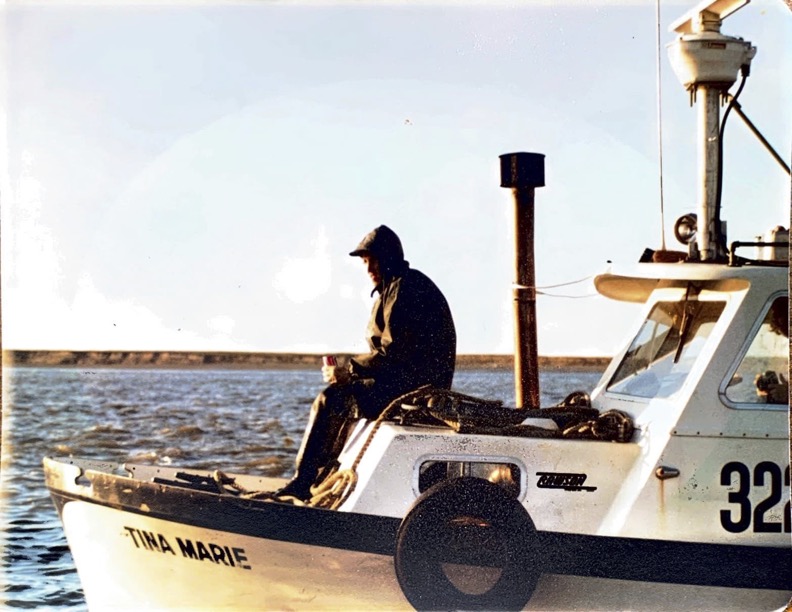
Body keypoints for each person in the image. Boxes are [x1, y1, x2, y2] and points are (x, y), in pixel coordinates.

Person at [277, 225, 457, 500]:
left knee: (330, 399)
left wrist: (349, 371)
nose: (369, 266)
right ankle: (323, 478)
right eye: (364, 261)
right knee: (343, 396)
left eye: (374, 258)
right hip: (404, 381)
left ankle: (303, 482)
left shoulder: (404, 288)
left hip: (416, 389)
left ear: (390, 257)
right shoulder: (391, 288)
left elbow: (392, 352)